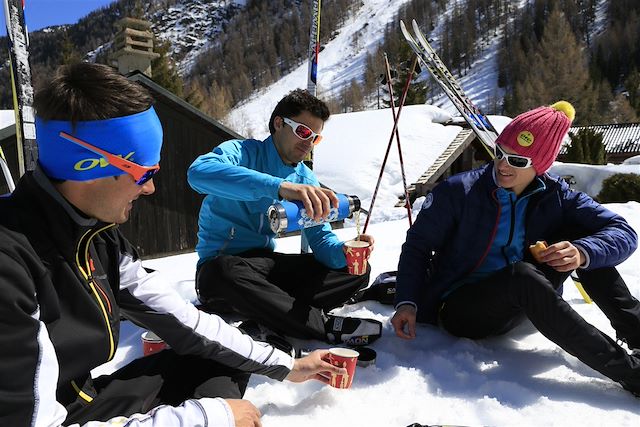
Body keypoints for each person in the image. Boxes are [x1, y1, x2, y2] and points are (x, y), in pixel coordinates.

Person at [0, 63, 348, 427]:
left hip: (82, 400)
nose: (150, 188)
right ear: (92, 165)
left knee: (219, 360)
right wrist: (206, 417)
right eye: (144, 173)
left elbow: (183, 320)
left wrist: (286, 365)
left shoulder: (96, 235)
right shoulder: (11, 261)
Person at [391, 101, 640, 396]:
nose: (503, 165)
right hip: (462, 308)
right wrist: (406, 301)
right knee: (522, 276)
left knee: (585, 240)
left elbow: (623, 232)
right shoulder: (459, 192)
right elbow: (417, 246)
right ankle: (631, 374)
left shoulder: (557, 195)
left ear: (541, 165)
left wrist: (581, 251)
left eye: (518, 161)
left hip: (528, 299)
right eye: (500, 152)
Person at [188, 89, 382, 346]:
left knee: (355, 270)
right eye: (303, 132)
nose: (308, 143)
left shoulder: (305, 179)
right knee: (223, 272)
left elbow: (321, 239)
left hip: (266, 267)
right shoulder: (242, 152)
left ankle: (267, 311)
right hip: (222, 268)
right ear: (279, 123)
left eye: (315, 137)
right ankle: (319, 324)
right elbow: (198, 174)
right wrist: (279, 187)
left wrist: (345, 252)